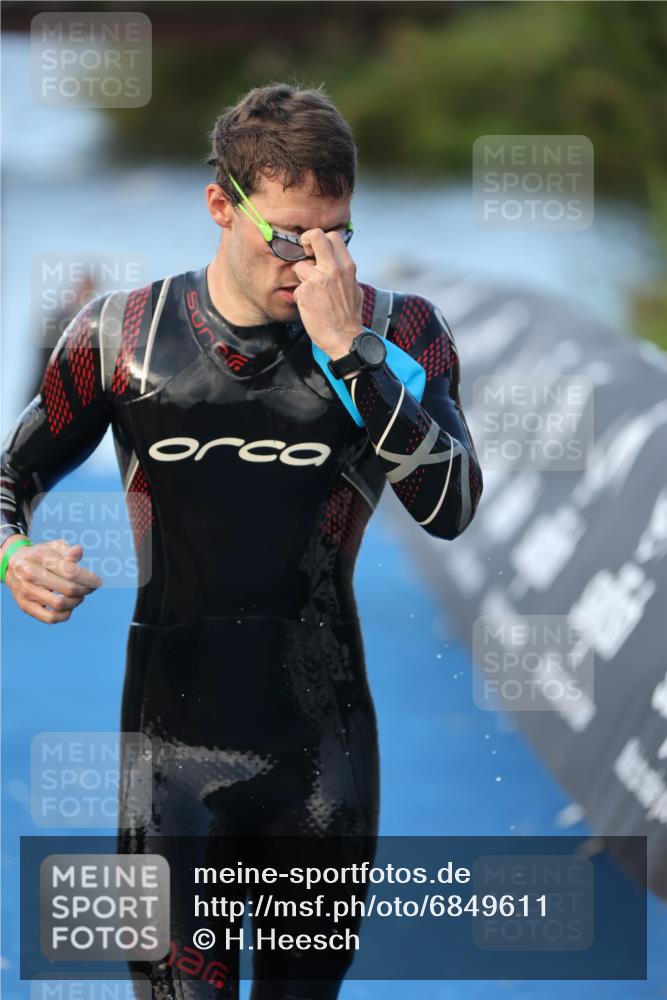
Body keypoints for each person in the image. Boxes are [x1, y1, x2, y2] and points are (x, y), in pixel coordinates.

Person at [0, 83, 483, 998]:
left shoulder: (398, 332)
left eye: (338, 234)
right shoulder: (120, 337)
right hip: (169, 760)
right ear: (221, 204)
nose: (316, 263)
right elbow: (5, 479)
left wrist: (350, 358)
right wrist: (15, 557)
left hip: (323, 756)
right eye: (292, 237)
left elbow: (451, 504)